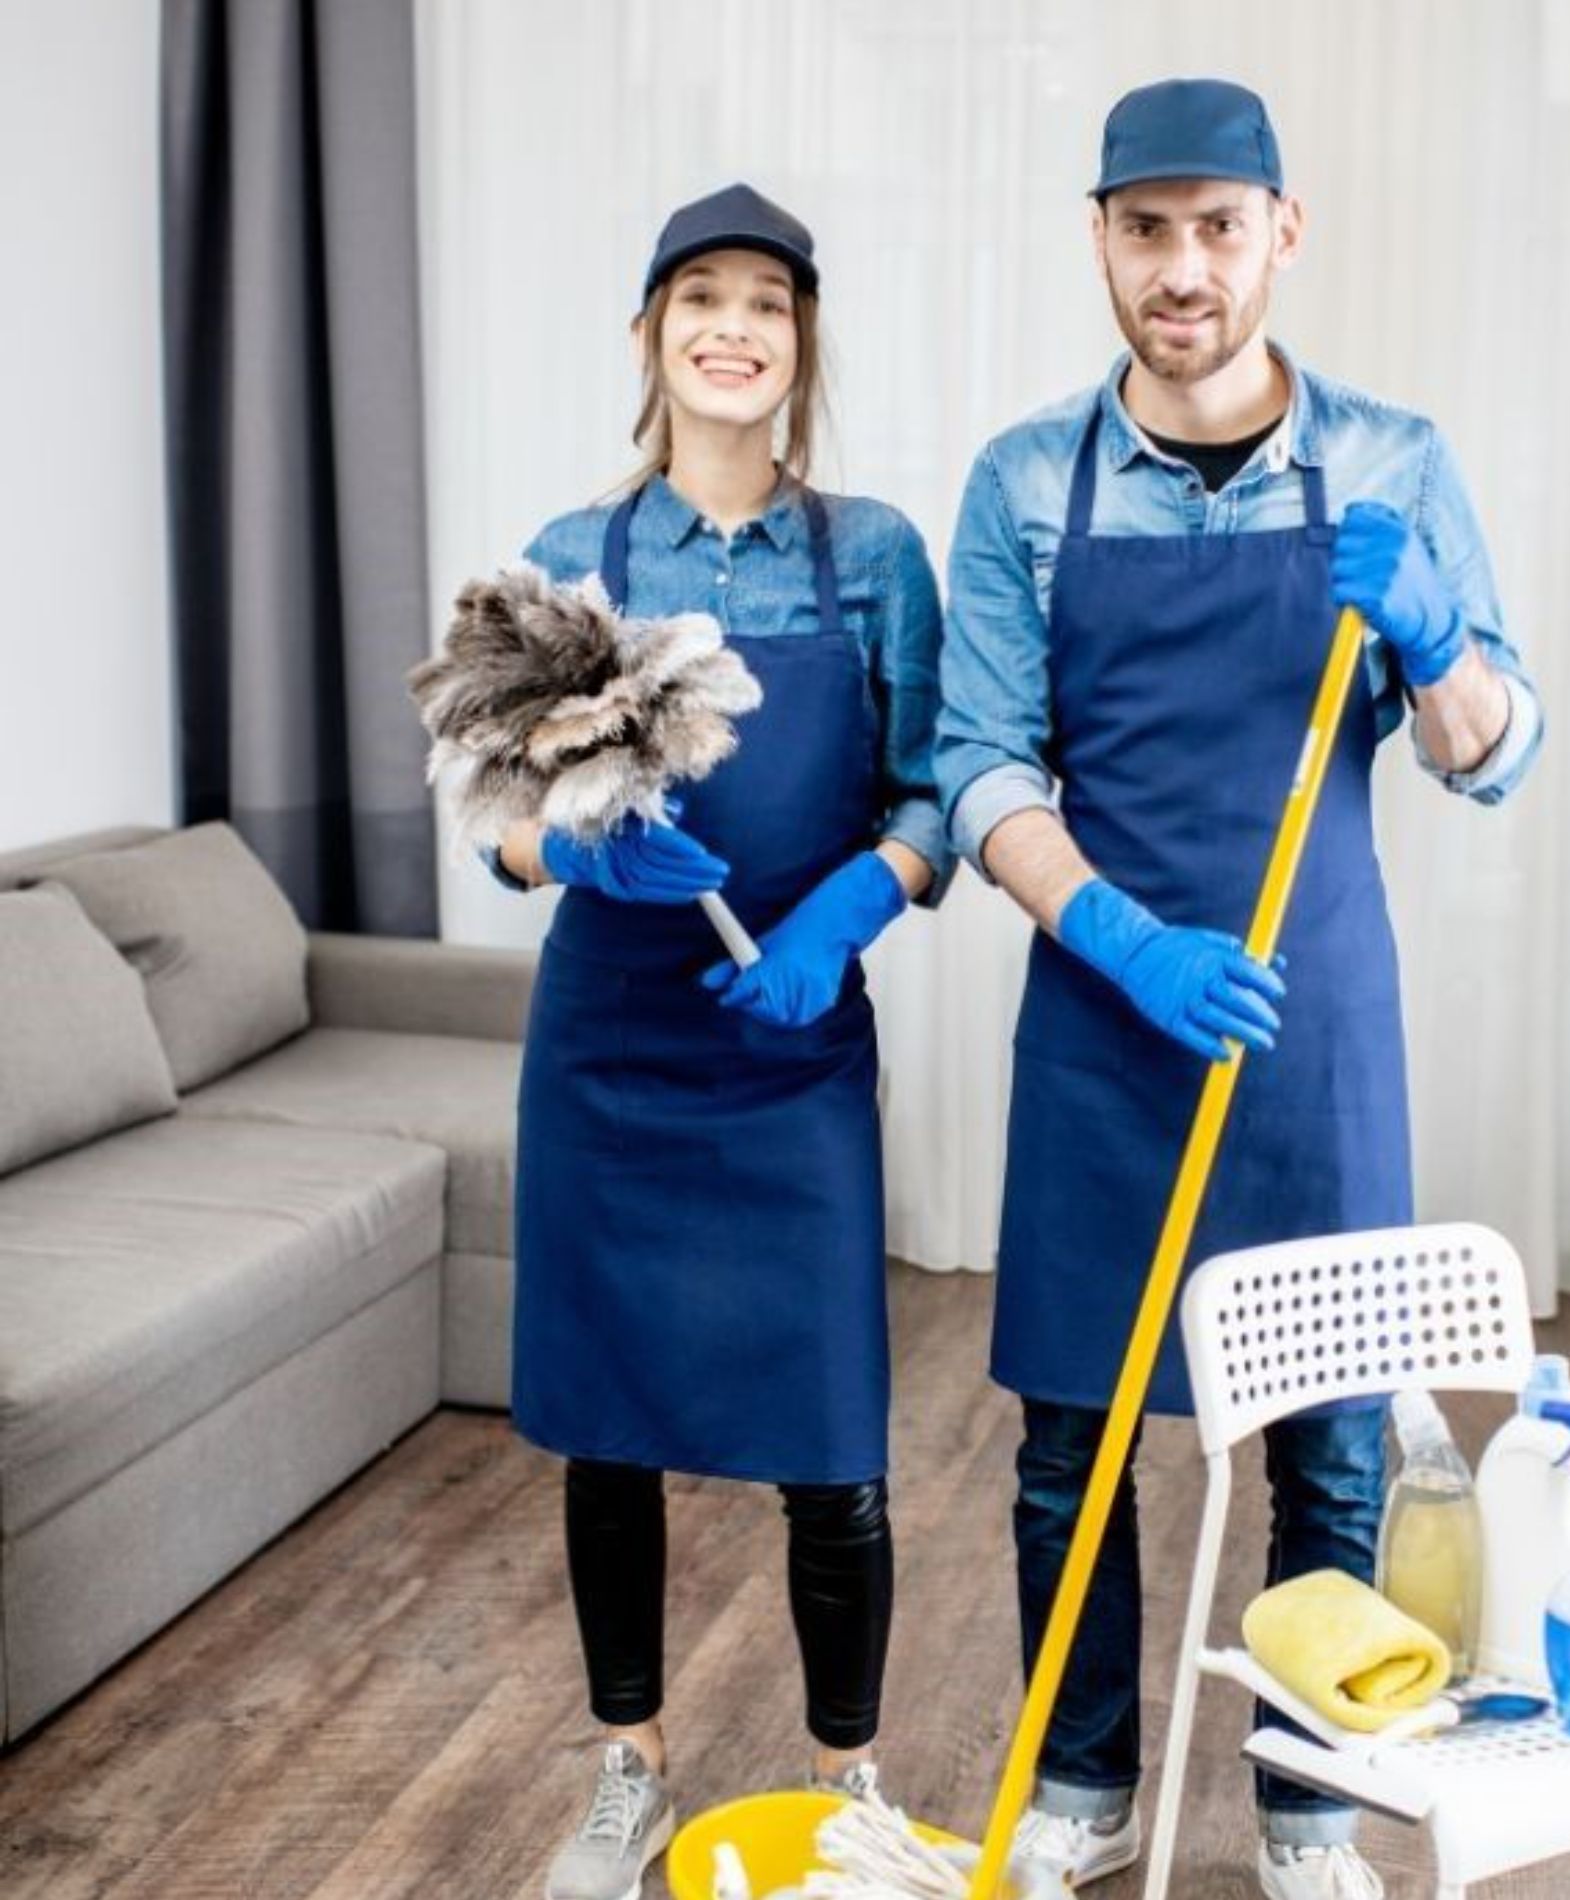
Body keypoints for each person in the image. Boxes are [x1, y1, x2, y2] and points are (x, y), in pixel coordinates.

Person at [935, 79, 1543, 1900]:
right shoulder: (1026, 480)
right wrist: (1120, 936)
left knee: (1330, 1444)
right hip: (1100, 1013)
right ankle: (1083, 1783)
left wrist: (1434, 637)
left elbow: (1493, 753)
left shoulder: (1394, 463)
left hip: (1311, 1014)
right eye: (1147, 229)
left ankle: (1307, 1811)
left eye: (1219, 226)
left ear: (1285, 232)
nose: (1182, 268)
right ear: (1100, 240)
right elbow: (982, 767)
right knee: (1073, 1440)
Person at [488, 182, 951, 1900]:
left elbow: (932, 794)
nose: (734, 328)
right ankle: (631, 1772)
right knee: (608, 1432)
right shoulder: (574, 557)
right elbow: (492, 820)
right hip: (610, 1053)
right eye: (702, 298)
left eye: (768, 300)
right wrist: (574, 852)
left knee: (832, 1444)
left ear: (801, 342)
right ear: (650, 334)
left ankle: (848, 1792)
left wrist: (849, 912)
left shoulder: (876, 555)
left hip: (792, 1053)